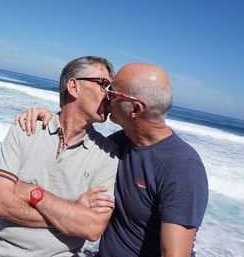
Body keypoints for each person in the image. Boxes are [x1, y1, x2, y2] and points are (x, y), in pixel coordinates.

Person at [17, 63, 209, 257]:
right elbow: (75, 148)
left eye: (112, 92)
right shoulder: (121, 142)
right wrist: (51, 120)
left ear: (135, 108)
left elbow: (175, 254)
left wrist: (30, 192)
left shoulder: (183, 167)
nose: (105, 97)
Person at [0, 56, 120, 257]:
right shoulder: (27, 128)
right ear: (74, 86)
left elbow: (91, 228)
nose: (110, 95)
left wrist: (33, 193)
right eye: (104, 85)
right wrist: (71, 214)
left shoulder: (108, 154)